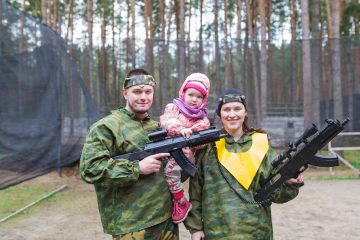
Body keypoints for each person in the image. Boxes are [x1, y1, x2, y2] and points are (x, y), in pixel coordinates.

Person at [184, 88, 304, 240]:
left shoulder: (261, 145)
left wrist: (291, 183)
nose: (232, 114)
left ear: (245, 112)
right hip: (216, 232)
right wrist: (195, 228)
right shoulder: (208, 147)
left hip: (257, 231)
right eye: (227, 109)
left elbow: (276, 193)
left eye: (237, 108)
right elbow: (196, 191)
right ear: (220, 114)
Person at [80, 68, 179, 240]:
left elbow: (168, 174)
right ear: (125, 93)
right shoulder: (107, 127)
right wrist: (137, 168)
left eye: (148, 91)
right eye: (137, 91)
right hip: (131, 226)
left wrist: (185, 162)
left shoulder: (159, 128)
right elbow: (90, 168)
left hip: (166, 222)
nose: (143, 97)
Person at [160, 73, 211, 224]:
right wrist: (179, 129)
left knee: (170, 172)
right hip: (166, 147)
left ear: (204, 100)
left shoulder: (202, 120)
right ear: (183, 93)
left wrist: (191, 143)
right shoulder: (173, 108)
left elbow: (202, 140)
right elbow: (166, 121)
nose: (194, 99)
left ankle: (180, 200)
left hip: (182, 154)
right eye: (190, 95)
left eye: (199, 97)